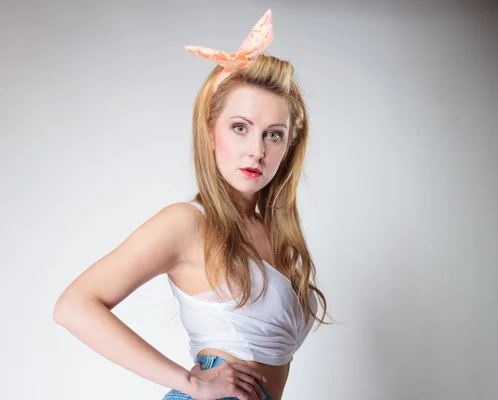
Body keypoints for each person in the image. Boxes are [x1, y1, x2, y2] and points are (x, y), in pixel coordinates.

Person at [53, 9, 330, 400]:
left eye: (273, 135)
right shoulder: (188, 223)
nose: (256, 150)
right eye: (240, 127)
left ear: (288, 146)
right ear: (210, 132)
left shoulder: (274, 233)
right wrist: (188, 381)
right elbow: (74, 306)